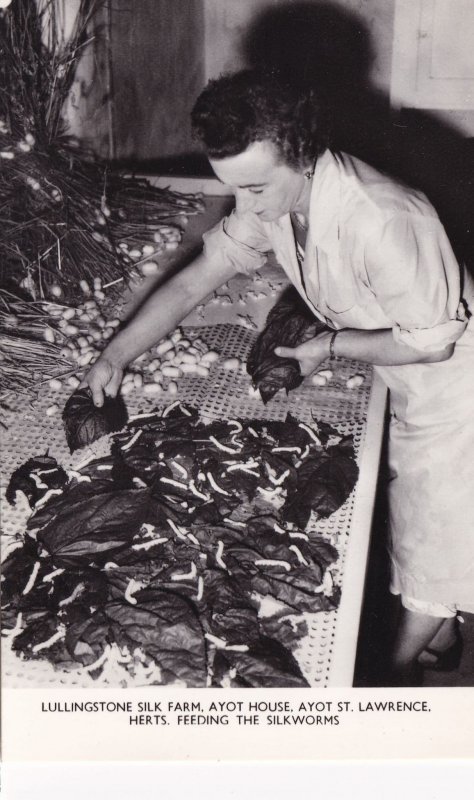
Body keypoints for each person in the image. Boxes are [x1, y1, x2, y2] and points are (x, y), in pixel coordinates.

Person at [84, 70, 474, 685]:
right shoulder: (273, 193)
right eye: (235, 186)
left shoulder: (386, 218)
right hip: (405, 375)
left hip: (458, 388)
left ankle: (379, 688)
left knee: (433, 551)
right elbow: (199, 275)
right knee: (422, 533)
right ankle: (442, 640)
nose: (250, 203)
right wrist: (117, 352)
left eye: (258, 187)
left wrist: (332, 345)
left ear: (304, 153)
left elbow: (431, 344)